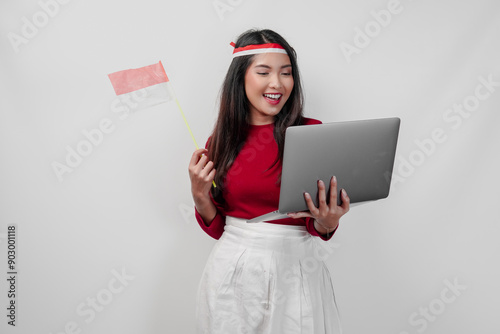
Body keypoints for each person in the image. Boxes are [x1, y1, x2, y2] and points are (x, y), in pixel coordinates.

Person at [188, 28, 350, 334]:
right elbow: (220, 226)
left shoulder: (311, 134)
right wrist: (200, 197)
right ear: (241, 78)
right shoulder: (221, 140)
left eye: (286, 73)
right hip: (233, 272)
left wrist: (328, 221)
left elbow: (317, 224)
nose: (277, 83)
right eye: (264, 72)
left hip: (298, 269)